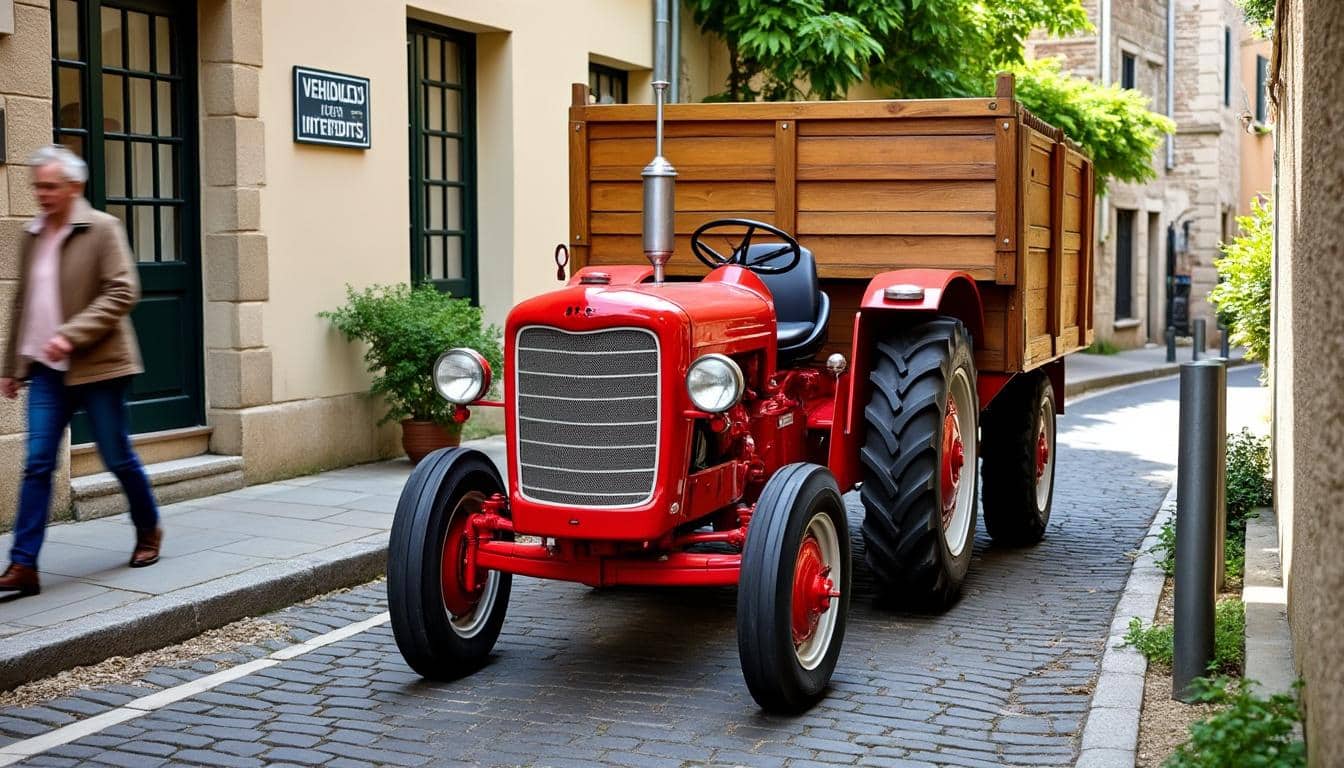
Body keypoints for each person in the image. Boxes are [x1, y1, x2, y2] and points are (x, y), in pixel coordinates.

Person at [0, 145, 162, 598]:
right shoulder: (32, 234)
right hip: (46, 370)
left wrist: (71, 335)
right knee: (37, 464)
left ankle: (148, 529)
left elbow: (123, 291)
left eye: (51, 186)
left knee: (116, 455)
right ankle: (23, 565)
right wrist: (12, 367)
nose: (42, 194)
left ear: (74, 187)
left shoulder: (102, 228)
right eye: (38, 186)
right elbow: (23, 303)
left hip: (100, 366)